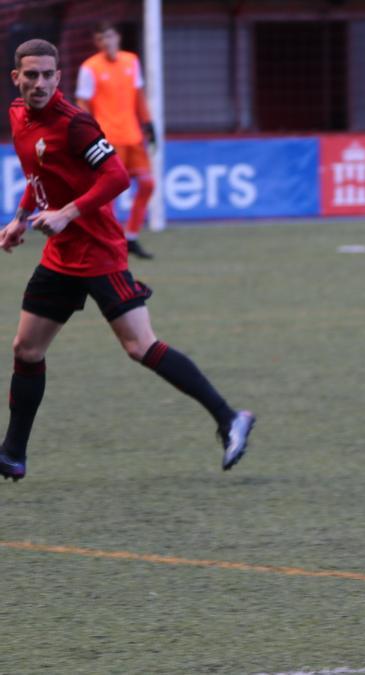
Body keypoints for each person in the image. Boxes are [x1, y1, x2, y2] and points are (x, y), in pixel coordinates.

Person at [0, 40, 255, 481]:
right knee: (26, 349)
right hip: (61, 254)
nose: (39, 82)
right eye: (31, 75)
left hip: (98, 251)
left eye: (47, 75)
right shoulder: (19, 116)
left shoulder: (75, 124)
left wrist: (67, 213)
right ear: (16, 78)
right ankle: (12, 453)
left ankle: (230, 418)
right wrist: (21, 217)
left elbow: (116, 176)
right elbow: (39, 176)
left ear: (59, 78)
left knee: (140, 346)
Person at [76, 21, 156, 260]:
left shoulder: (131, 61)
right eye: (101, 39)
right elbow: (82, 104)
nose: (107, 42)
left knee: (148, 184)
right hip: (108, 140)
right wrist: (88, 135)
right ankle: (109, 241)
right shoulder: (89, 68)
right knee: (108, 194)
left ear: (117, 37)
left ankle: (130, 236)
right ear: (97, 43)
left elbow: (138, 96)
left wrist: (148, 123)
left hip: (133, 137)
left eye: (109, 37)